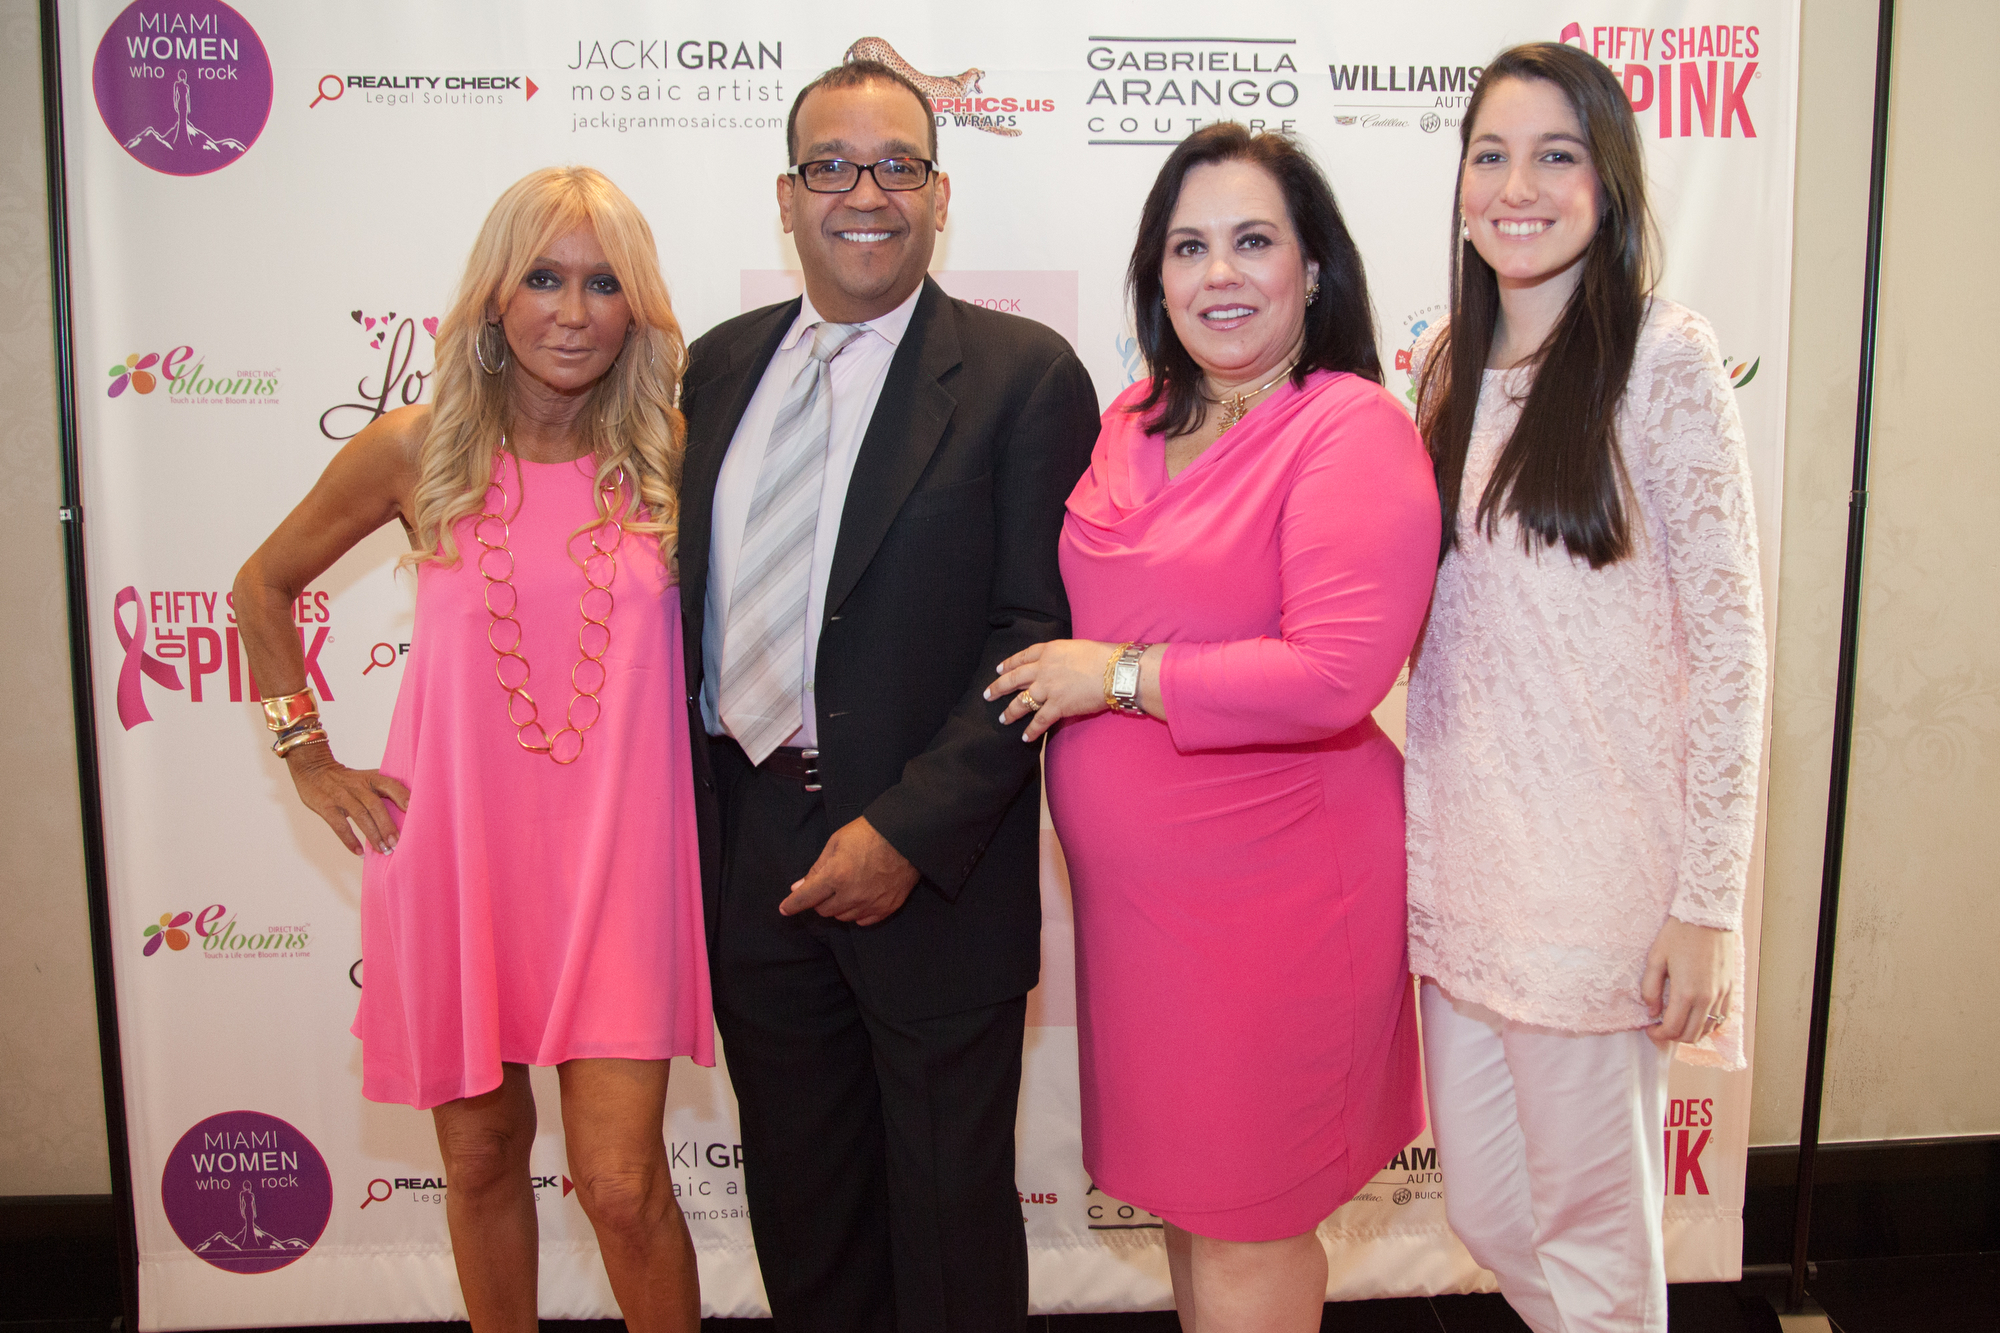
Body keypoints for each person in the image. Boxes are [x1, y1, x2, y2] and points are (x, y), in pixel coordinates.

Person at [232, 167, 710, 1333]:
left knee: (621, 1184)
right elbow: (261, 587)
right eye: (542, 277)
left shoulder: (675, 455)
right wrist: (309, 757)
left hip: (621, 871)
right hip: (455, 860)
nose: (571, 309)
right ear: (493, 297)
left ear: (637, 309)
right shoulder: (415, 450)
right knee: (485, 1162)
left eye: (604, 284)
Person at [988, 124, 1440, 1331]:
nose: (1218, 274)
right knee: (1196, 1213)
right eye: (1187, 246)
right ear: (1155, 275)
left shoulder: (1347, 427)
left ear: (1312, 270)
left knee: (1248, 1228)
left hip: (1277, 903)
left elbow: (1334, 673)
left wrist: (1118, 677)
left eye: (1253, 241)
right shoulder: (1135, 413)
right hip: (1142, 923)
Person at [676, 60, 1100, 1330]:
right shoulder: (710, 370)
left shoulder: (1024, 376)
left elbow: (1037, 635)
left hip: (929, 869)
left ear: (937, 193)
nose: (864, 193)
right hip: (747, 847)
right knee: (804, 1221)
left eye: (895, 166)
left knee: (947, 1228)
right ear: (787, 196)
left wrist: (902, 834)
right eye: (831, 166)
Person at [1404, 42, 1767, 1333]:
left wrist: (1706, 904)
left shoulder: (1663, 358)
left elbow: (1731, 644)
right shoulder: (1443, 362)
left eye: (1556, 155)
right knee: (1490, 1215)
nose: (1518, 185)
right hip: (1461, 878)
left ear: (1607, 180)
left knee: (1602, 1249)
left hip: (1600, 885)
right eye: (1491, 154)